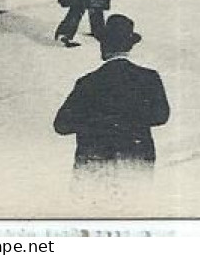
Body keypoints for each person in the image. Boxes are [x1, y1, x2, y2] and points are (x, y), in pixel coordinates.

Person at [53, 14, 170, 175]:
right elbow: (161, 116)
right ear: (130, 46)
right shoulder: (149, 78)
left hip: (93, 162)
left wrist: (96, 122)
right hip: (136, 159)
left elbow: (62, 125)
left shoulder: (87, 83)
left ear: (104, 46)